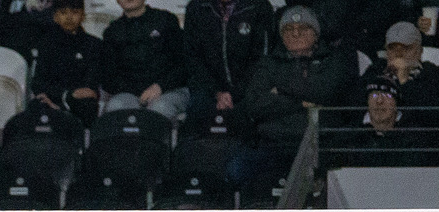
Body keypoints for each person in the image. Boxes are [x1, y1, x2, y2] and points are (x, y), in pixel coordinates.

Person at [244, 6, 354, 146]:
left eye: (303, 28)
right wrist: (299, 103)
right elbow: (254, 105)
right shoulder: (269, 64)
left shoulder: (333, 60)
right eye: (289, 29)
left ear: (315, 34)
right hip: (275, 142)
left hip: (324, 142)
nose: (296, 34)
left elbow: (325, 92)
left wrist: (280, 90)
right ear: (281, 36)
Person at [183, 0, 274, 130]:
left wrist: (235, 93)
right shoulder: (197, 7)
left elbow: (262, 59)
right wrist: (217, 92)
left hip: (249, 89)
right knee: (197, 117)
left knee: (254, 121)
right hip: (208, 90)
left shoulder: (259, 6)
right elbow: (193, 59)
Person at [100, 0, 190, 121]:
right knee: (116, 107)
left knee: (159, 109)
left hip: (169, 90)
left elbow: (185, 64)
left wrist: (160, 87)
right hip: (130, 93)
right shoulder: (112, 32)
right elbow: (108, 78)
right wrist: (138, 91)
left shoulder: (166, 20)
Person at [30, 0, 103, 127]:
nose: (69, 17)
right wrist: (63, 96)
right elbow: (38, 83)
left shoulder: (94, 45)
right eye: (63, 13)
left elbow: (90, 83)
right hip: (53, 98)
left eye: (74, 12)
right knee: (37, 105)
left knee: (87, 104)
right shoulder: (46, 44)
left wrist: (69, 98)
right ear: (56, 17)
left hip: (80, 100)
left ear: (83, 15)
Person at [360, 21, 439, 116]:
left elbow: (437, 115)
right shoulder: (376, 71)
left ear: (420, 51)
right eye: (392, 48)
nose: (399, 54)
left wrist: (404, 81)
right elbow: (356, 105)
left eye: (406, 48)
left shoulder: (434, 75)